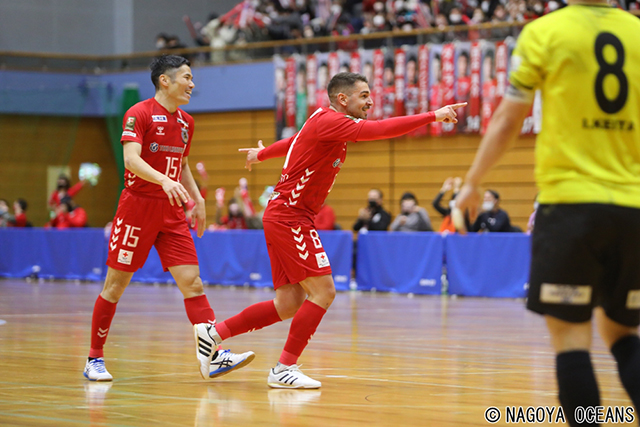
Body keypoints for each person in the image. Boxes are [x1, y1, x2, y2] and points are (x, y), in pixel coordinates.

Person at [192, 72, 465, 389]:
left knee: (288, 303)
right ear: (343, 99)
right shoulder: (332, 121)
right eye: (364, 95)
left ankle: (213, 334)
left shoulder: (322, 121)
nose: (370, 101)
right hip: (291, 216)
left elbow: (294, 142)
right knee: (324, 291)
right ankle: (284, 368)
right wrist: (433, 115)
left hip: (285, 215)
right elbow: (380, 129)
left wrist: (262, 154)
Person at [454, 3, 640, 425]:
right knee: (622, 334)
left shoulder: (545, 32)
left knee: (571, 339)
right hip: (632, 208)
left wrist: (473, 181)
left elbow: (508, 119)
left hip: (571, 206)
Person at [83, 55, 253, 382]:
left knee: (193, 283)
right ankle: (94, 358)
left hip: (172, 210)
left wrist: (197, 198)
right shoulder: (139, 113)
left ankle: (213, 356)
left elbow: (183, 164)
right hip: (137, 208)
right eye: (186, 77)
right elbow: (131, 160)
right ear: (165, 80)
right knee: (114, 287)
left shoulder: (187, 122)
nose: (192, 84)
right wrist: (163, 180)